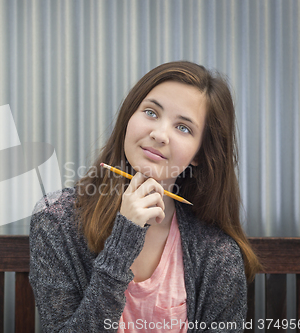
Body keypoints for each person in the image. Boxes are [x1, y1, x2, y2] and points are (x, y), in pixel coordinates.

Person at [29, 61, 261, 333]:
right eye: (151, 112)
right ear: (129, 117)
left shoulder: (217, 255)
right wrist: (124, 239)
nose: (159, 134)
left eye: (183, 128)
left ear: (199, 153)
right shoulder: (55, 220)